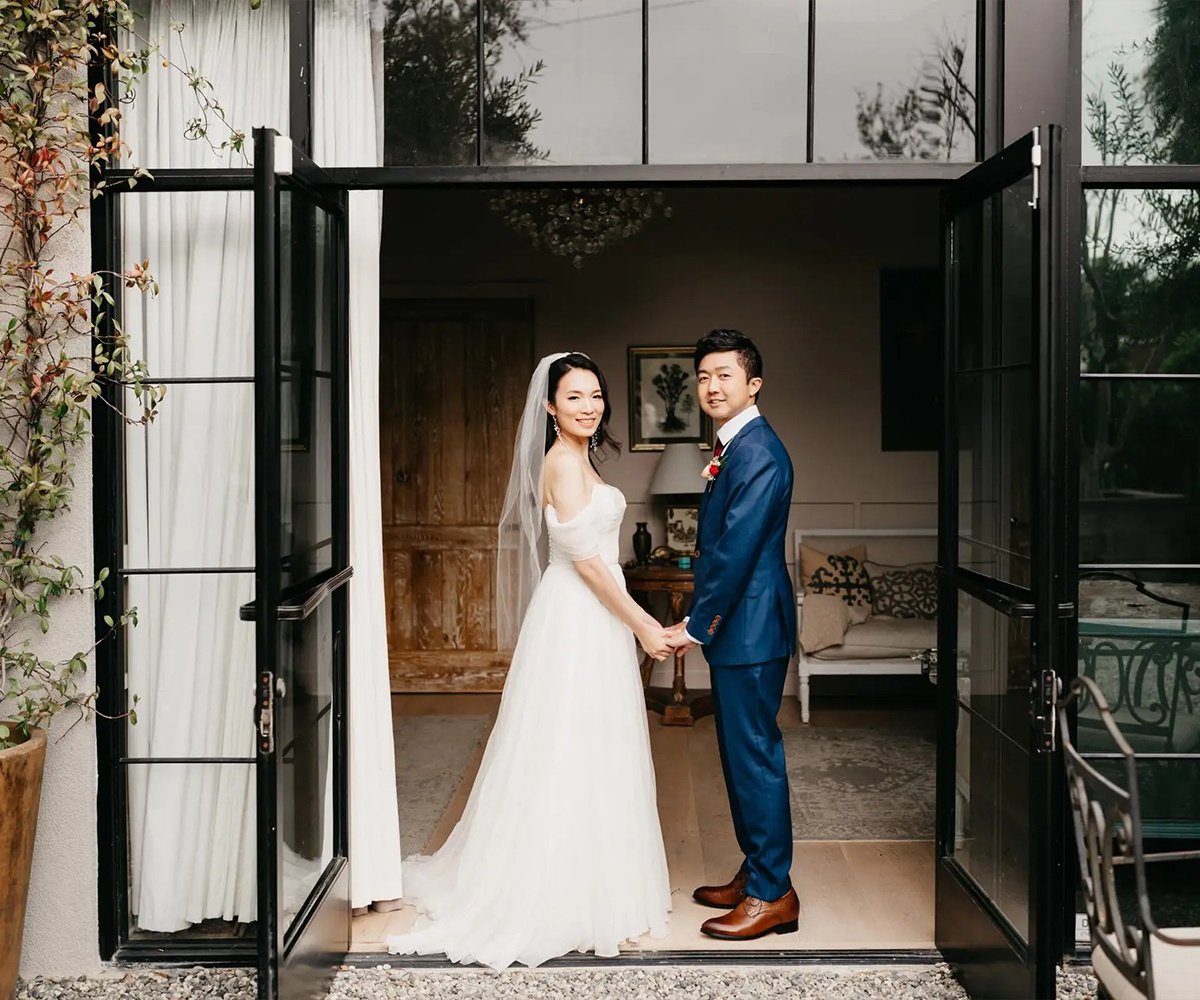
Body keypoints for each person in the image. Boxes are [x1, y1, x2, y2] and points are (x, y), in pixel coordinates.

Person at [386, 352, 673, 970]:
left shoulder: (580, 460)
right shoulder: (562, 463)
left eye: (596, 395)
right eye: (574, 397)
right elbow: (591, 565)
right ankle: (559, 891)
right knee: (565, 744)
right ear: (549, 407)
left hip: (592, 615)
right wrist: (646, 625)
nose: (590, 406)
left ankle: (595, 880)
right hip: (578, 614)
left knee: (592, 744)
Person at [666, 329, 799, 940]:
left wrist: (695, 624)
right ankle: (756, 870)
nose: (711, 386)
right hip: (743, 627)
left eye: (724, 375)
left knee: (754, 758)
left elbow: (735, 552)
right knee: (737, 757)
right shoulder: (735, 446)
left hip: (750, 625)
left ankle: (774, 894)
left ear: (754, 384)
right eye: (703, 377)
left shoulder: (759, 452)